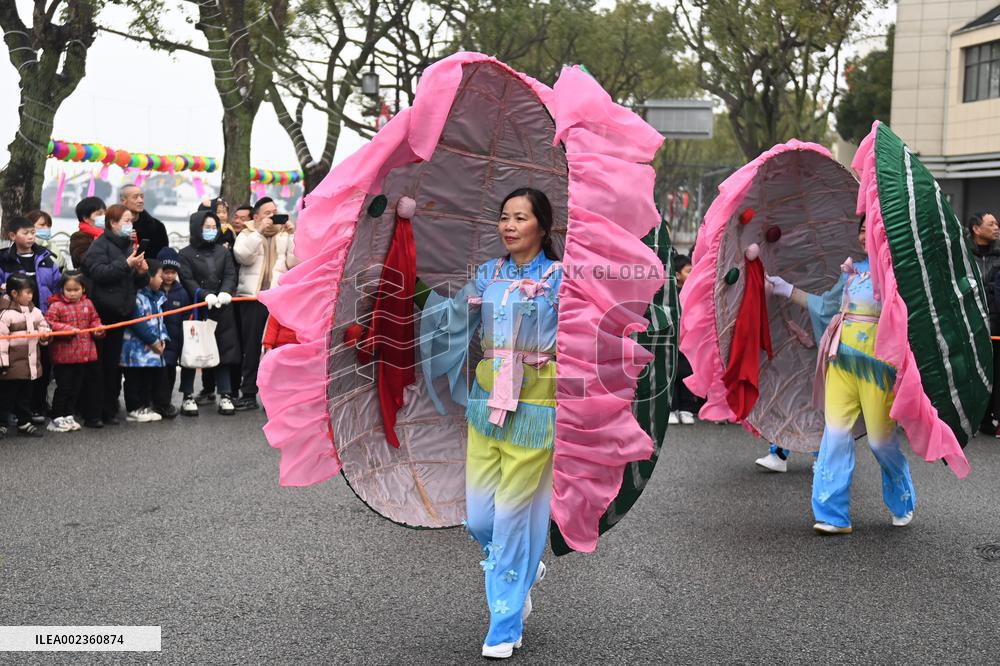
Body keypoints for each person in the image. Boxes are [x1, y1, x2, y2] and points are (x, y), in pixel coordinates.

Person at [418, 188, 560, 658]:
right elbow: (453, 317)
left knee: (516, 512)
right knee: (480, 516)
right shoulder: (487, 274)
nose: (510, 226)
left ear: (543, 224)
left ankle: (504, 625)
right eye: (504, 218)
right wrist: (417, 299)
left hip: (537, 401)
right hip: (487, 398)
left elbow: (586, 330)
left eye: (521, 217)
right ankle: (524, 563)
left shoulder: (562, 278)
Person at [767, 216, 915, 534]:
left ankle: (902, 498)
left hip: (878, 369)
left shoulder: (901, 272)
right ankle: (832, 514)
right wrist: (784, 288)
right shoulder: (852, 271)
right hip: (840, 363)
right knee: (834, 435)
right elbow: (825, 307)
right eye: (861, 230)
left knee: (880, 441)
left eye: (872, 229)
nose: (864, 236)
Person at [81, 203, 150, 425]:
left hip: (122, 311)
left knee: (113, 365)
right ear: (113, 223)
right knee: (98, 365)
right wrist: (125, 263)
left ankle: (109, 409)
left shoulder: (128, 246)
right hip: (102, 312)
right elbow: (98, 273)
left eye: (131, 221)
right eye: (126, 221)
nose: (130, 225)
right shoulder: (100, 245)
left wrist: (141, 272)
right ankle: (93, 412)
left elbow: (136, 282)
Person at [232, 197, 299, 410]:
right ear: (257, 216)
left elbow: (295, 263)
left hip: (278, 298)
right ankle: (249, 393)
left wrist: (293, 236)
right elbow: (243, 256)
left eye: (275, 212)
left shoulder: (284, 234)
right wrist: (259, 231)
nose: (272, 216)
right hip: (252, 298)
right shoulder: (247, 233)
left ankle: (277, 396)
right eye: (267, 213)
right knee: (251, 346)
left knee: (278, 348)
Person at [178, 210, 240, 415]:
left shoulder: (223, 252)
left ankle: (226, 394)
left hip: (222, 308)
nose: (211, 231)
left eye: (214, 227)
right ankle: (187, 395)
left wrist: (225, 292)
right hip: (197, 308)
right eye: (207, 227)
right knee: (192, 352)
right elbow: (187, 279)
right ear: (197, 228)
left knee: (223, 351)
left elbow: (230, 274)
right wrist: (204, 294)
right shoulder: (185, 254)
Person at [0, 216, 62, 421]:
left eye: (32, 232)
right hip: (12, 323)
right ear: (12, 236)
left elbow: (56, 287)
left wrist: (50, 313)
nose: (30, 237)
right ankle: (10, 411)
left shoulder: (46, 258)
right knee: (13, 369)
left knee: (41, 365)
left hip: (39, 318)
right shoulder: (4, 259)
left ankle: (36, 406)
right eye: (25, 233)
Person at [44, 270, 104, 431]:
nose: (72, 293)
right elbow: (48, 323)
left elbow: (95, 320)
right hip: (63, 355)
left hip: (83, 354)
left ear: (83, 289)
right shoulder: (56, 305)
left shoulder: (88, 304)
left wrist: (98, 329)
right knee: (63, 387)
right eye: (68, 290)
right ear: (62, 289)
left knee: (76, 387)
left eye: (76, 289)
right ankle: (56, 416)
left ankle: (69, 414)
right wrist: (67, 329)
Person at [0, 274, 51, 437]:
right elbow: (1, 342)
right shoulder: (5, 315)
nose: (30, 296)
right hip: (11, 365)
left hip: (30, 363)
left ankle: (24, 422)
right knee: (6, 396)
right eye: (27, 292)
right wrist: (3, 363)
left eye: (31, 293)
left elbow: (44, 326)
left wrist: (44, 335)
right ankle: (2, 423)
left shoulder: (35, 311)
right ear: (14, 293)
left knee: (25, 396)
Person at [120, 259, 168, 423]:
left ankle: (145, 406)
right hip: (136, 350)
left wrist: (163, 339)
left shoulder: (158, 298)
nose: (162, 280)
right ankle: (134, 408)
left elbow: (161, 322)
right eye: (159, 276)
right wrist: (154, 341)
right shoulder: (138, 297)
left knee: (147, 379)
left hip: (151, 350)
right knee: (134, 379)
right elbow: (137, 323)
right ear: (149, 277)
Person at [968, 211, 1000, 435]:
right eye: (991, 224)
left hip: (995, 320)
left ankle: (990, 416)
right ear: (976, 229)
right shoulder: (964, 256)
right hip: (969, 319)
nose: (996, 227)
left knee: (994, 369)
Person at [153, 248, 188, 418]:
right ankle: (156, 402)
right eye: (166, 272)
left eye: (173, 272)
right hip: (156, 339)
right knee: (156, 373)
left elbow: (186, 317)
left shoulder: (182, 293)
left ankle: (165, 402)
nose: (169, 276)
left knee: (170, 371)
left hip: (175, 340)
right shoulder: (154, 291)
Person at [669, 253, 699, 426]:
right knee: (672, 374)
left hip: (690, 339)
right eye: (689, 271)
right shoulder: (671, 293)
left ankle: (687, 409)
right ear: (677, 275)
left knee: (688, 373)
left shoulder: (695, 292)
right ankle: (672, 409)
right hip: (674, 338)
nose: (692, 274)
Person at [120, 184, 169, 259]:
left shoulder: (157, 227)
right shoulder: (113, 226)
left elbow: (163, 257)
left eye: (142, 197)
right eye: (135, 197)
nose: (140, 200)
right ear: (123, 201)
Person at [69, 196, 107, 269]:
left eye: (105, 213)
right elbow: (83, 261)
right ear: (86, 218)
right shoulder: (78, 237)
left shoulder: (110, 233)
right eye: (99, 214)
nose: (104, 216)